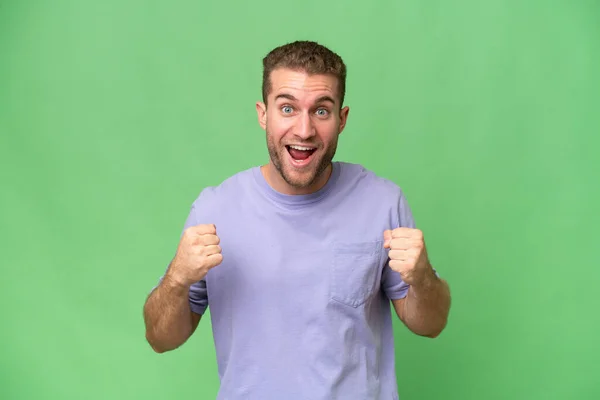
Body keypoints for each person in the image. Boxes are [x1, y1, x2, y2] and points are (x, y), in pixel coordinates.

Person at [143, 40, 451, 400]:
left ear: (342, 118)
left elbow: (431, 324)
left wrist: (422, 276)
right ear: (263, 114)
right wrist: (178, 278)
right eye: (287, 108)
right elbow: (160, 339)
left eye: (321, 111)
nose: (304, 130)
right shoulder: (216, 209)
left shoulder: (382, 202)